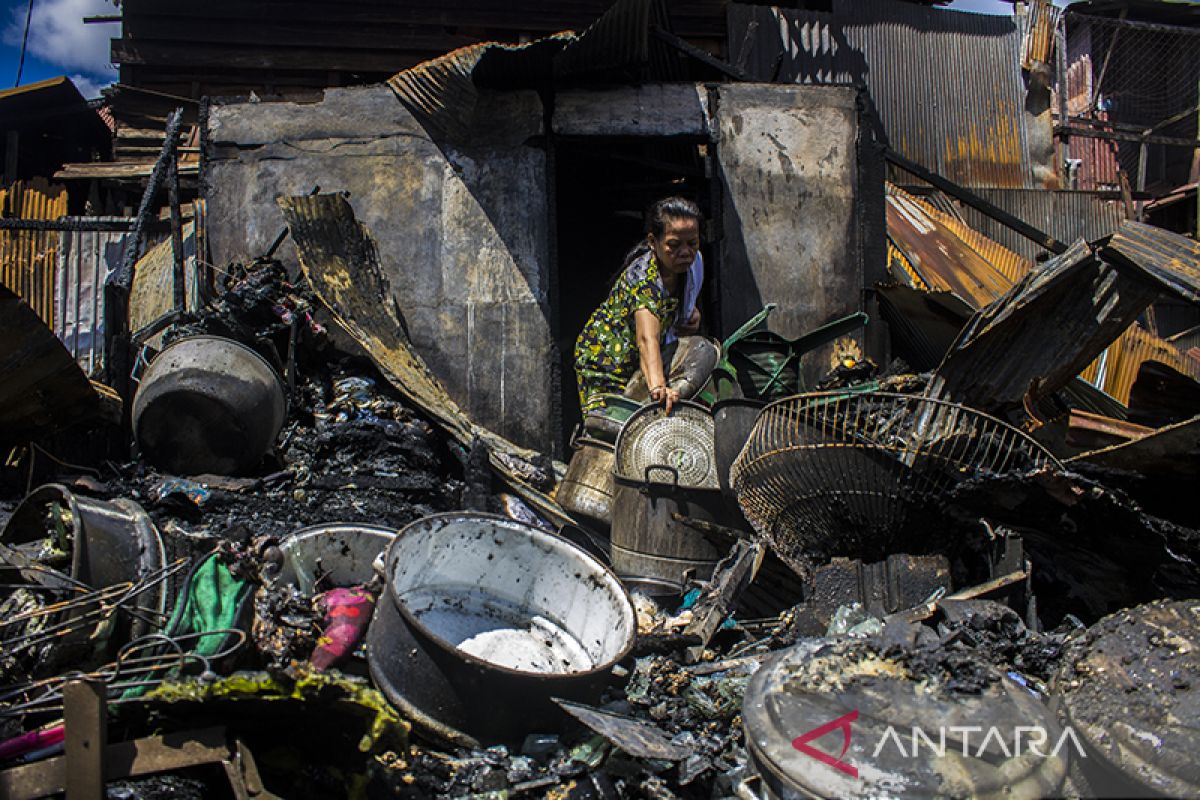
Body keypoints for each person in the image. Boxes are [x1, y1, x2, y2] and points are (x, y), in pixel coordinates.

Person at [574, 196, 706, 417]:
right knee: (613, 429)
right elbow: (647, 339)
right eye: (674, 245)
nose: (685, 252)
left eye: (692, 243)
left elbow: (684, 306)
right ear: (653, 242)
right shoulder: (644, 281)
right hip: (605, 364)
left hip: (642, 363)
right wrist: (658, 389)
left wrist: (691, 316)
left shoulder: (694, 264)